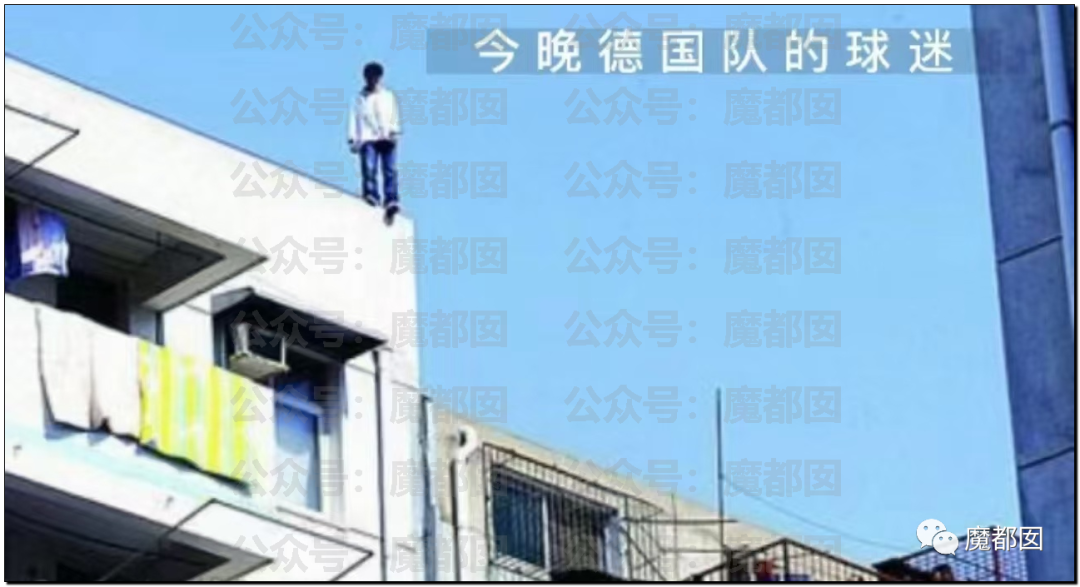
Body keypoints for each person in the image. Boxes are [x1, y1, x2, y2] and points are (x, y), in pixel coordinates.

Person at [348, 61, 401, 225]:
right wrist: (352, 138)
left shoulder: (388, 95)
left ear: (379, 77)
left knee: (390, 169)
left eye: (375, 76)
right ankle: (371, 194)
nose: (373, 79)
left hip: (386, 135)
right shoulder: (360, 98)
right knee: (369, 167)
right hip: (368, 136)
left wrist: (394, 130)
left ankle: (391, 199)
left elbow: (393, 114)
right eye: (370, 76)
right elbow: (354, 117)